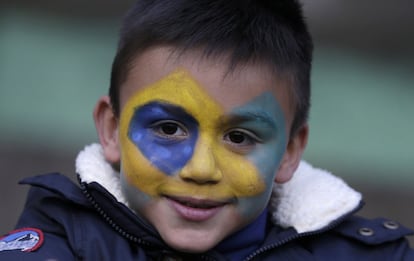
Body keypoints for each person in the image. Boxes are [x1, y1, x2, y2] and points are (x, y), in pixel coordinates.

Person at [1, 0, 413, 260]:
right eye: (168, 128)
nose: (200, 169)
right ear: (112, 129)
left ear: (289, 151)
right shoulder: (61, 238)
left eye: (239, 137)